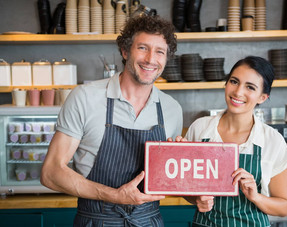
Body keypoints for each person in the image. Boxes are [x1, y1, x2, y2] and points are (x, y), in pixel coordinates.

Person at [40, 15, 183, 226]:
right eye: (143, 48)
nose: (151, 59)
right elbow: (50, 173)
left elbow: (168, 179)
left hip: (149, 221)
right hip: (96, 220)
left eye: (160, 51)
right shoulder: (85, 97)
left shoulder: (172, 109)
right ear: (125, 51)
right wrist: (114, 195)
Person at [176, 56, 287, 226]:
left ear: (262, 97)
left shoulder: (271, 140)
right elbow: (185, 189)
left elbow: (284, 207)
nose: (238, 92)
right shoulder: (200, 129)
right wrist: (197, 199)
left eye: (250, 87)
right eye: (234, 81)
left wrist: (256, 197)